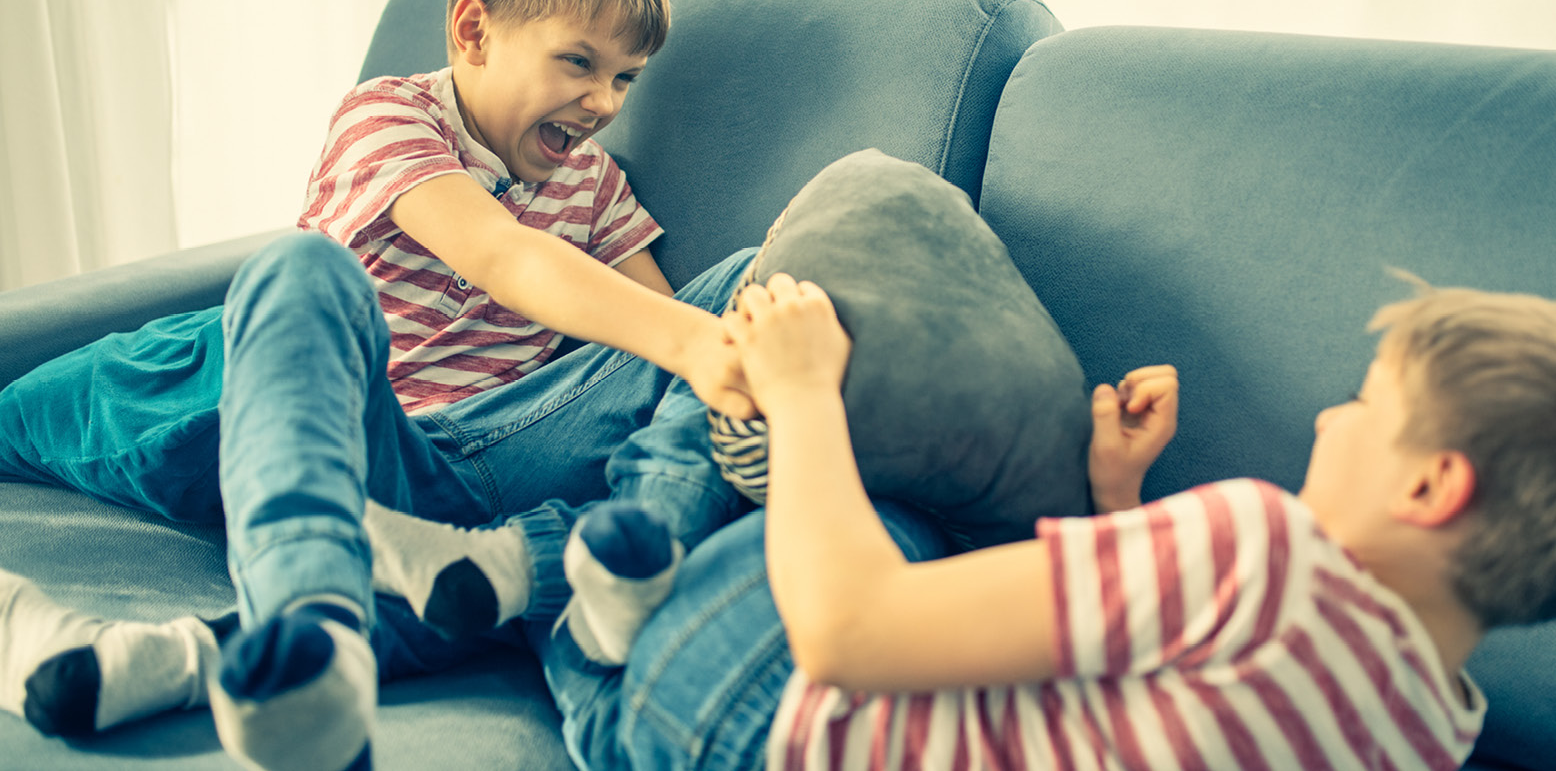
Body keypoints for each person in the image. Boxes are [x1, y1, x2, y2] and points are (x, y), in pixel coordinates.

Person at [0, 0, 758, 769]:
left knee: (753, 282)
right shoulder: (391, 117)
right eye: (578, 63)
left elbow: (651, 356)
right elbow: (503, 255)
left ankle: (213, 656)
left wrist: (717, 344)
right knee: (297, 269)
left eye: (625, 77)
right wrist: (696, 342)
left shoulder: (597, 186)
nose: (606, 103)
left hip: (475, 481)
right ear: (473, 31)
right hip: (337, 440)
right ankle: (308, 625)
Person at [374, 270, 1552, 771]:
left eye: (1364, 409)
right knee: (637, 587)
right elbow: (1151, 715)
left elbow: (850, 629)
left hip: (760, 700)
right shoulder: (1430, 732)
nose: (1325, 417)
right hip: (711, 737)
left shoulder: (1266, 546)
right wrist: (1114, 503)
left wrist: (799, 391)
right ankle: (574, 627)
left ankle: (561, 592)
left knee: (851, 477)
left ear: (1428, 487)